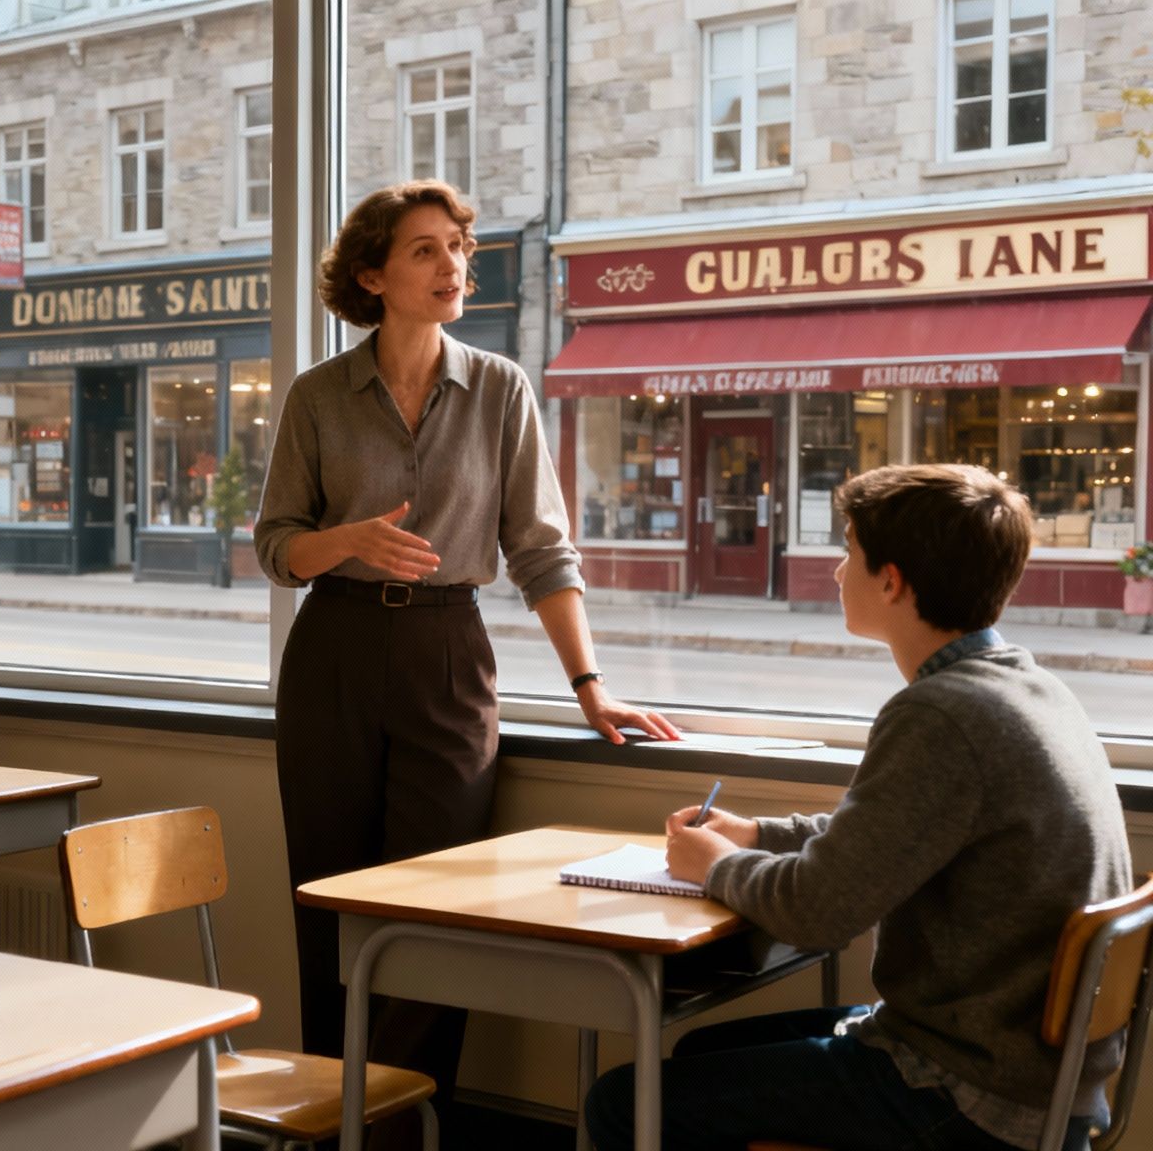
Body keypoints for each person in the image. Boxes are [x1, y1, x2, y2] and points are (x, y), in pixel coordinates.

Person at [253, 179, 675, 1139]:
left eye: (458, 249)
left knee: (438, 899)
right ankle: (335, 1116)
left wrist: (588, 684)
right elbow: (277, 547)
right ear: (373, 274)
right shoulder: (319, 396)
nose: (453, 268)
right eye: (425, 251)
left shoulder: (499, 387)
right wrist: (348, 539)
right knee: (328, 894)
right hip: (335, 647)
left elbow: (541, 548)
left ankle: (409, 1124)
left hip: (450, 651)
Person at [584, 464, 1132, 1151]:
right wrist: (756, 832)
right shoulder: (1028, 687)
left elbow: (820, 909)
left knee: (621, 1104)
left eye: (850, 553)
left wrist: (717, 865)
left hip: (970, 1095)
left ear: (893, 581)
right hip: (1032, 1077)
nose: (839, 571)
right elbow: (885, 835)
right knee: (698, 1052)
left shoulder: (942, 713)